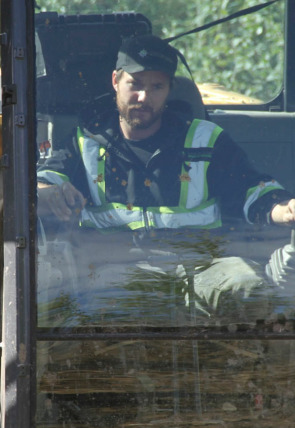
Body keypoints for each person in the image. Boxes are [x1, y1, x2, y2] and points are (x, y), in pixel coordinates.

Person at [37, 34, 295, 325]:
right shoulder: (85, 142)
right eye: (135, 84)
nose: (144, 97)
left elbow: (251, 189)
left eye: (157, 86)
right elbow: (43, 182)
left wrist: (285, 209)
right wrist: (48, 193)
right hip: (121, 266)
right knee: (109, 305)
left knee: (251, 292)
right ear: (115, 81)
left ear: (169, 89)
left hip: (207, 266)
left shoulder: (204, 139)